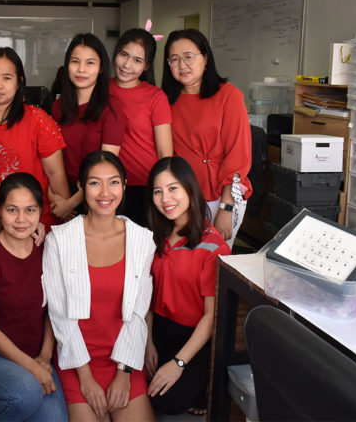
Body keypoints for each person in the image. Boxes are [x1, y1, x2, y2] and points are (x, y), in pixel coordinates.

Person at [43, 151, 155, 422]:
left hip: (125, 357)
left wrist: (124, 373)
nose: (105, 192)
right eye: (94, 183)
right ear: (81, 188)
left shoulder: (142, 240)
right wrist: (86, 378)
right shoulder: (59, 240)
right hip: (76, 358)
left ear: (125, 185)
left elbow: (139, 313)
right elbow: (59, 315)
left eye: (113, 182)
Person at [0, 172, 68, 421]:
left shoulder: (47, 249)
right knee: (25, 394)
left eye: (30, 210)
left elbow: (55, 309)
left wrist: (43, 357)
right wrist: (32, 369)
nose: (21, 219)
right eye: (12, 210)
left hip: (35, 356)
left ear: (41, 211)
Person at [145, 156, 230, 416]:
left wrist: (179, 362)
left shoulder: (213, 246)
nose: (165, 199)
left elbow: (210, 316)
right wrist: (147, 342)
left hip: (195, 337)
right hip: (159, 328)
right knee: (132, 383)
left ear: (189, 189)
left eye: (173, 189)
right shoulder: (155, 237)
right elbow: (147, 297)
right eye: (158, 192)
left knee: (166, 402)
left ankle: (203, 384)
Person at [161, 28, 252, 247]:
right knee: (183, 262)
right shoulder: (164, 101)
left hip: (222, 196)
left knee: (213, 262)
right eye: (174, 59)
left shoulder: (229, 96)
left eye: (189, 57)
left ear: (206, 58)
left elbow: (237, 156)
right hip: (182, 196)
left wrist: (226, 207)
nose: (182, 65)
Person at [0, 46, 70, 225]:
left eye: (7, 78)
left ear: (19, 83)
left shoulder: (37, 119)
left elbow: (55, 173)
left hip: (34, 222)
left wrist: (63, 218)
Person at [104, 27, 173, 226]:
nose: (127, 64)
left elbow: (165, 152)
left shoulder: (155, 97)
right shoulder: (100, 89)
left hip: (144, 186)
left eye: (137, 60)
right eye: (123, 55)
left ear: (146, 65)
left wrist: (163, 190)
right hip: (108, 186)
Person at [51, 33, 124, 216]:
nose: (81, 69)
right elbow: (50, 158)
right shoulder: (58, 106)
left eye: (90, 63)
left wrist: (70, 204)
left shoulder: (111, 107)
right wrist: (56, 198)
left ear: (100, 68)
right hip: (61, 192)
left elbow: (106, 167)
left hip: (98, 196)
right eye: (75, 61)